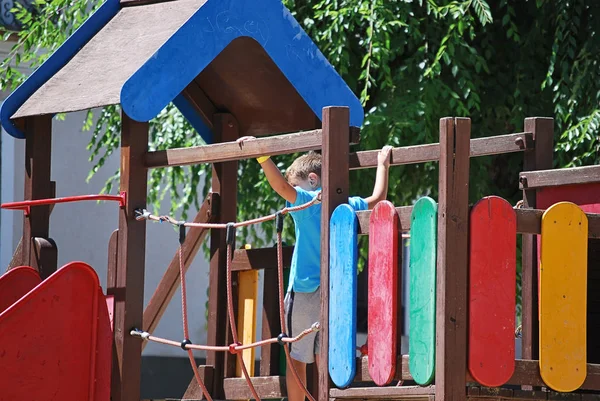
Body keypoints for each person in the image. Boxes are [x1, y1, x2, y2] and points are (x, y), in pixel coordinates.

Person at [237, 136, 393, 401]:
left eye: (297, 186)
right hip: (334, 293)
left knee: (296, 357)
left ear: (312, 180)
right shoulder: (349, 205)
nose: (291, 197)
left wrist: (262, 156)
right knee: (324, 357)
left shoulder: (307, 202)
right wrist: (383, 165)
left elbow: (280, 187)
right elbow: (378, 198)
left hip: (305, 289)